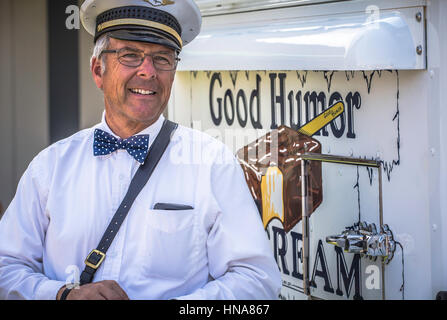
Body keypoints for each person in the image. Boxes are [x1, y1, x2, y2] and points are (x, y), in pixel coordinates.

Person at [0, 0, 281, 300]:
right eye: (130, 55)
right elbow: (6, 266)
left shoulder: (212, 163)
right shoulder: (50, 167)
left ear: (173, 73)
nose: (148, 72)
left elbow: (258, 280)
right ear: (98, 70)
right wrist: (62, 295)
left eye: (162, 58)